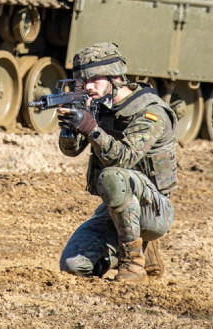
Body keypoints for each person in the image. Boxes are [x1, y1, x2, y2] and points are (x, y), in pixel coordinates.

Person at [57, 42, 177, 284]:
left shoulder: (150, 112)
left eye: (95, 79)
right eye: (83, 81)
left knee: (113, 176)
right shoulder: (101, 105)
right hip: (116, 210)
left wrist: (91, 128)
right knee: (74, 265)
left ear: (116, 77)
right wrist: (71, 126)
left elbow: (124, 158)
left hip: (154, 210)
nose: (88, 87)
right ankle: (140, 247)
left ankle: (132, 262)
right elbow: (70, 152)